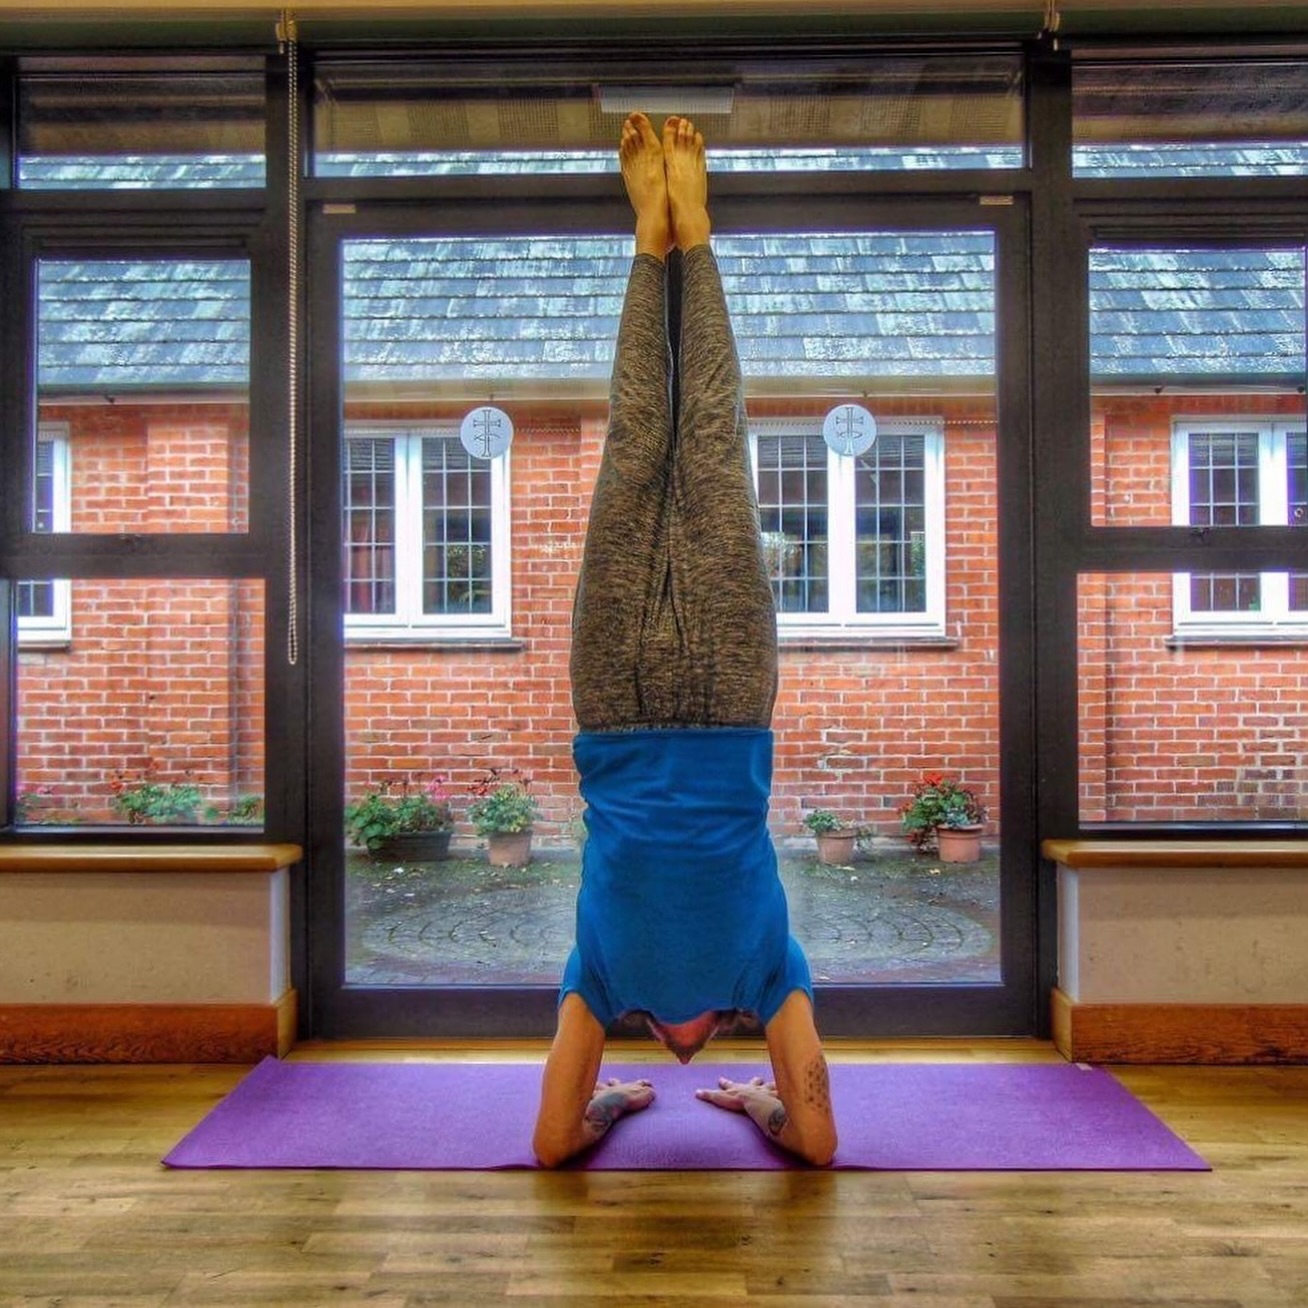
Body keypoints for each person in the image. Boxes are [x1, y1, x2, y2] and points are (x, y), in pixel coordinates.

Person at [531, 113, 837, 1169]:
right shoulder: (603, 983)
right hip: (617, 705)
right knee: (645, 446)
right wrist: (612, 1100)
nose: (677, 1047)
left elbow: (819, 1139)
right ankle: (662, 237)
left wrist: (760, 1101)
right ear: (664, 1035)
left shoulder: (766, 978)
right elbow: (551, 1142)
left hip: (722, 702)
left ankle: (682, 237)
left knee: (704, 441)